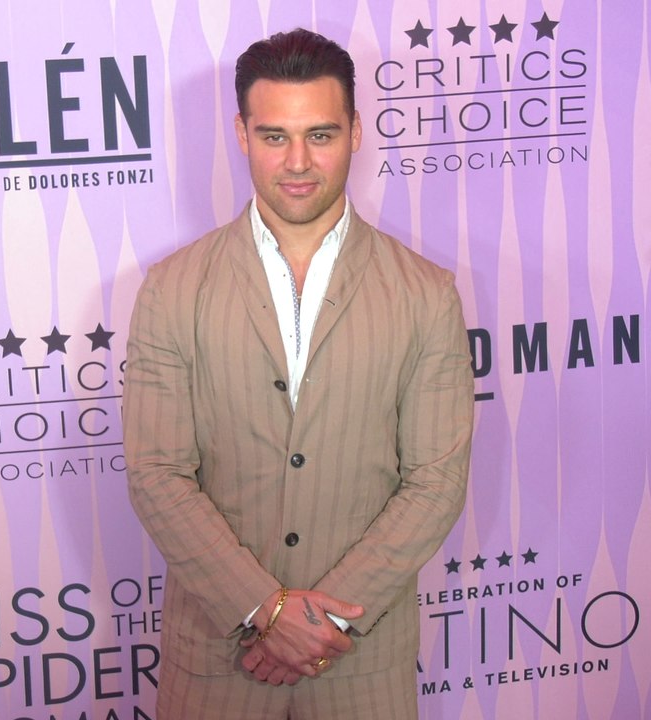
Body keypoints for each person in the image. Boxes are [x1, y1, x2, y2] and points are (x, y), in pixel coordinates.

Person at [123, 27, 474, 720]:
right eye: (274, 136)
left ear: (356, 132)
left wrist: (323, 621)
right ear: (242, 134)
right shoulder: (172, 289)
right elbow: (157, 474)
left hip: (360, 663)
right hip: (217, 660)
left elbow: (435, 483)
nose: (298, 161)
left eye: (320, 134)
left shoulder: (426, 294)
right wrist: (266, 609)